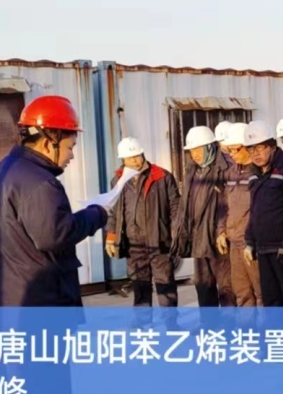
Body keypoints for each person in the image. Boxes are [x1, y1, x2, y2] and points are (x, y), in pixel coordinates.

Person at [0, 95, 108, 307]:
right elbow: (55, 236)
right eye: (70, 147)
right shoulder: (40, 182)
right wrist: (97, 213)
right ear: (47, 143)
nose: (71, 156)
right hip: (35, 303)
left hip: (2, 299)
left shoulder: (2, 171)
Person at [105, 136, 180, 308]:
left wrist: (175, 231)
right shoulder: (117, 180)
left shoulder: (162, 176)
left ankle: (170, 320)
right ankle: (143, 321)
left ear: (143, 154)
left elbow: (176, 206)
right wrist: (111, 236)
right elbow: (113, 210)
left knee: (165, 284)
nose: (135, 160)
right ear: (123, 160)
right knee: (140, 286)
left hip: (160, 241)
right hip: (134, 244)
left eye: (137, 156)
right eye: (130, 158)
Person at [243, 121, 283, 307]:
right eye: (251, 149)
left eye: (260, 148)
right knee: (271, 302)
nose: (256, 153)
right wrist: (250, 240)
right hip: (263, 249)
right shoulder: (254, 172)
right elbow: (255, 208)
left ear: (272, 146)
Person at [171, 126, 234, 307]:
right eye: (192, 151)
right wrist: (180, 229)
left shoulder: (227, 168)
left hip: (220, 240)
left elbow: (232, 204)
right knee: (203, 285)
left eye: (198, 150)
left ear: (210, 147)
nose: (195, 155)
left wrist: (224, 230)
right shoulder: (192, 170)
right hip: (199, 238)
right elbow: (185, 204)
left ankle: (230, 322)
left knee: (227, 287)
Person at [218, 123, 261, 306]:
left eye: (235, 149)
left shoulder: (258, 173)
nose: (232, 154)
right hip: (234, 243)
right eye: (229, 150)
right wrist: (221, 230)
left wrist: (252, 241)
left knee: (261, 292)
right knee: (242, 293)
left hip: (252, 244)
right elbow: (224, 205)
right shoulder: (231, 173)